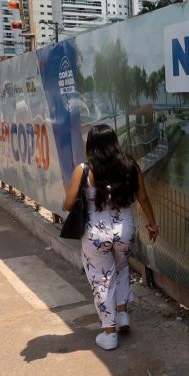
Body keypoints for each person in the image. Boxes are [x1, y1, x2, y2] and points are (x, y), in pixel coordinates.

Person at [63, 124, 159, 350]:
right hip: (124, 229)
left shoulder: (84, 170)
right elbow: (143, 198)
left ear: (90, 145)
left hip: (96, 233)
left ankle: (109, 333)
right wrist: (152, 224)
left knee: (101, 280)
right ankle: (122, 314)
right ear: (115, 142)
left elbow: (68, 205)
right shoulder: (130, 166)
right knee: (122, 267)